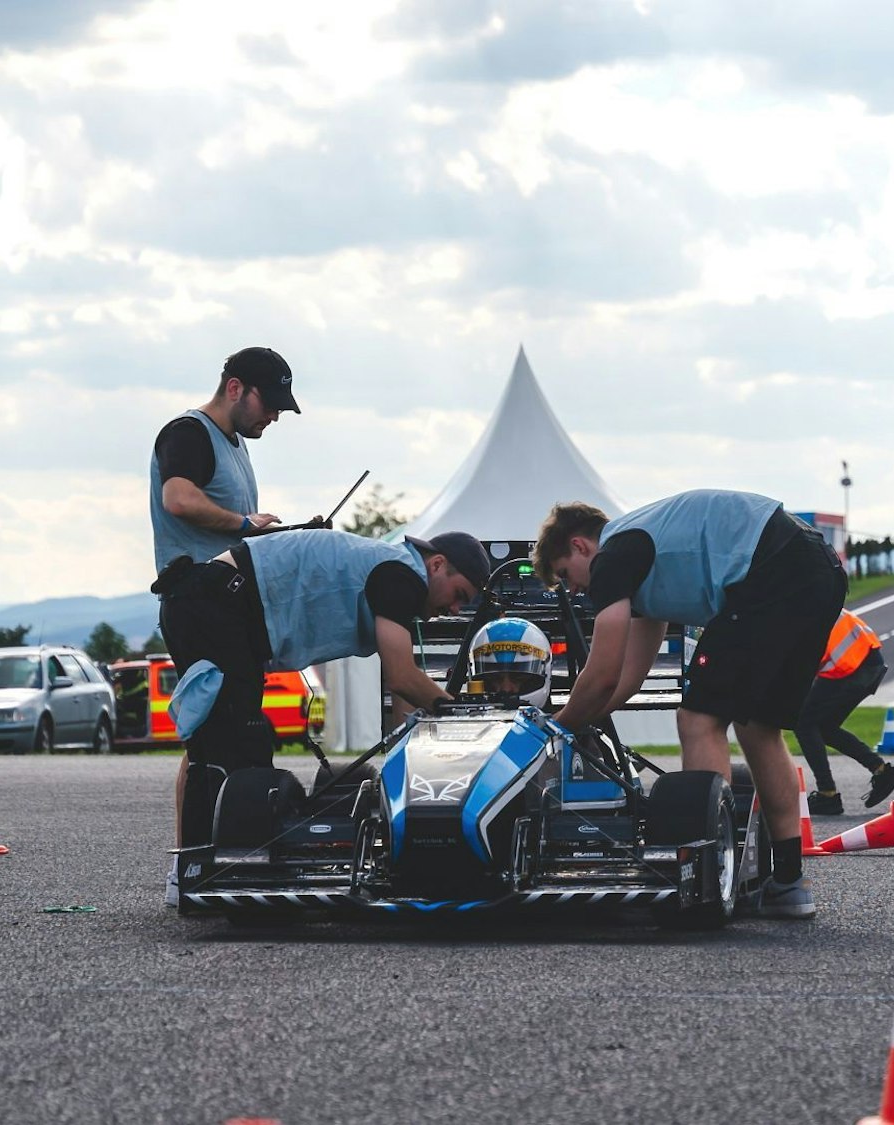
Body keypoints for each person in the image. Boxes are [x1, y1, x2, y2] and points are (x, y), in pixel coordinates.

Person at [535, 490, 845, 920]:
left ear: (579, 546)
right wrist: (585, 718)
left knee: (698, 719)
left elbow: (602, 671)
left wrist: (556, 726)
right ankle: (789, 884)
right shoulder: (644, 558)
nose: (574, 589)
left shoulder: (614, 553)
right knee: (757, 726)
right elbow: (627, 678)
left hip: (771, 567)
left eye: (565, 575)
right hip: (819, 567)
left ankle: (712, 877)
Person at [155, 527, 489, 856]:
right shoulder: (402, 576)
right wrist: (464, 715)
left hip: (201, 597)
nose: (457, 610)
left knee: (210, 746)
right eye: (459, 595)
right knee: (239, 749)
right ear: (437, 565)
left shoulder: (393, 572)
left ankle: (189, 871)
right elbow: (403, 677)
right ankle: (209, 870)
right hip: (215, 602)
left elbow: (403, 692)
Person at [148, 346, 306, 901]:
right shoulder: (188, 433)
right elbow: (179, 499)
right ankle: (197, 867)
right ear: (236, 387)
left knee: (210, 736)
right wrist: (245, 524)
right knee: (225, 735)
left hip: (226, 601)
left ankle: (197, 861)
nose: (276, 417)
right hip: (196, 598)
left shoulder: (237, 446)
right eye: (271, 403)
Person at [797, 607, 894, 814]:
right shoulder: (809, 590)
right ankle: (881, 771)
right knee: (824, 727)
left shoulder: (787, 605)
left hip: (850, 667)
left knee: (804, 724)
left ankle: (827, 793)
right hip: (867, 662)